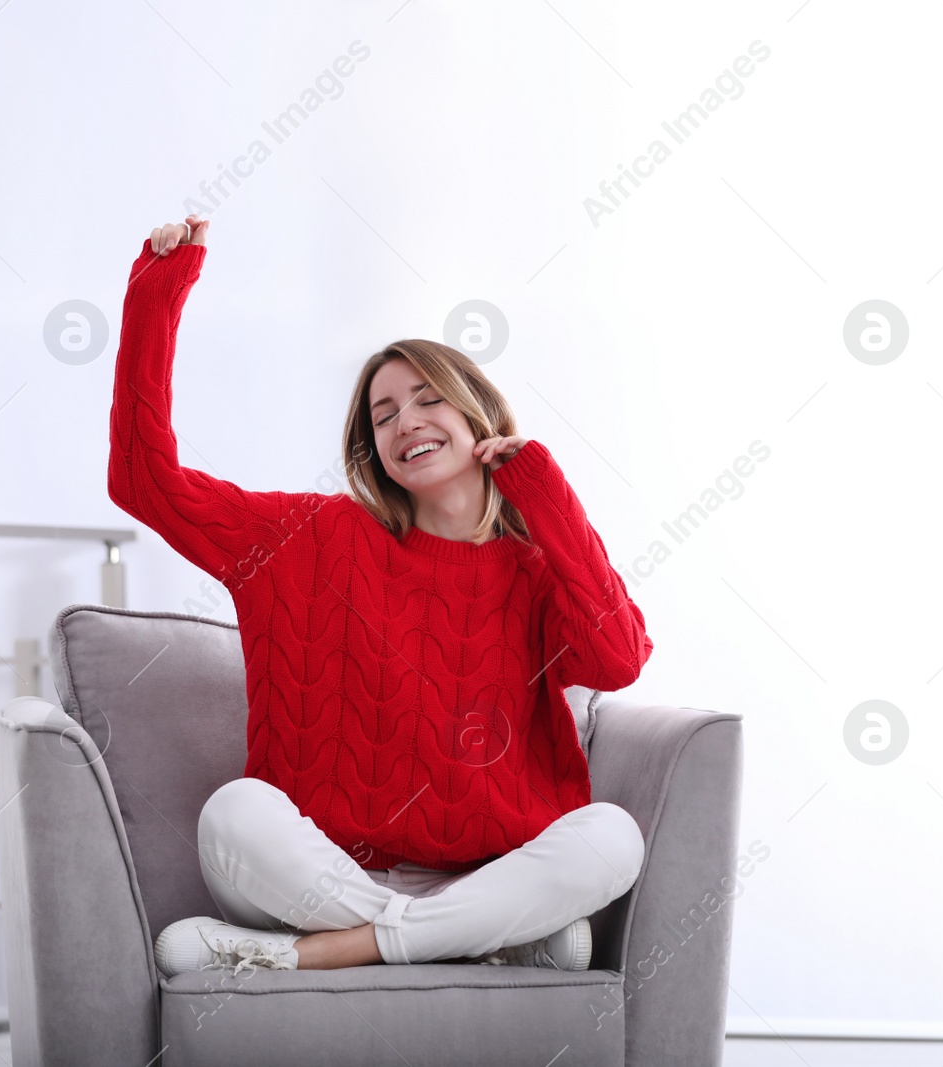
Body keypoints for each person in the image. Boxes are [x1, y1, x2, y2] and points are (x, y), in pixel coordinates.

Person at [108, 214, 651, 977]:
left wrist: (546, 495)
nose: (407, 422)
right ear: (374, 450)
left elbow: (620, 659)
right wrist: (155, 297)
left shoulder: (533, 570)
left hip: (483, 874)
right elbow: (145, 482)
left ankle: (327, 955)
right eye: (384, 413)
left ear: (478, 416)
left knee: (614, 835)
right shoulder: (306, 535)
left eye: (428, 399)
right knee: (234, 813)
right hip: (319, 881)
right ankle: (471, 941)